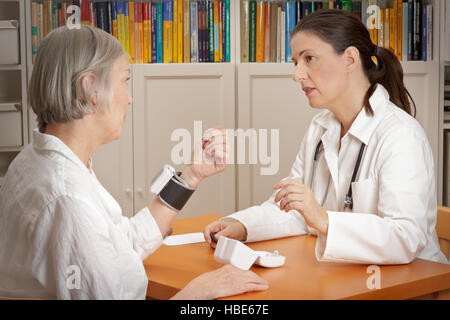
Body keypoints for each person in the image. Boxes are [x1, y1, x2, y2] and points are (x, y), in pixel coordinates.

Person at [0, 25, 268, 299]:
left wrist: (191, 176)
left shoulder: (38, 160)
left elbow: (120, 244)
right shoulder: (68, 198)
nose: (130, 98)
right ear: (90, 88)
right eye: (124, 81)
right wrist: (199, 291)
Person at [204, 9, 448, 265]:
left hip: (412, 284)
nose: (297, 75)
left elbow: (405, 238)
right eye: (296, 62)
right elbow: (297, 210)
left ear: (350, 59)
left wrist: (323, 219)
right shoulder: (320, 128)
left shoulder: (400, 135)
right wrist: (241, 225)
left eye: (309, 58)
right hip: (345, 277)